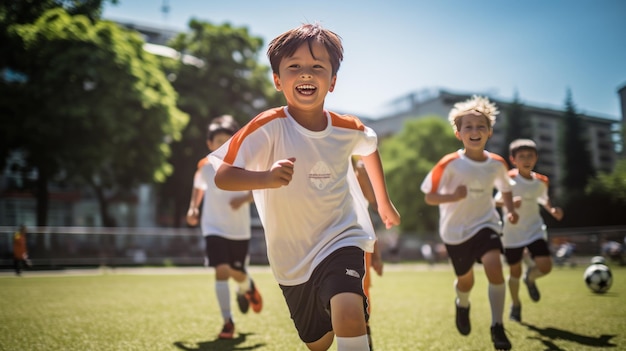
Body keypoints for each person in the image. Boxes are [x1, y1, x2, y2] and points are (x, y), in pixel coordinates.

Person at [210, 23, 401, 351]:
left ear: (333, 80)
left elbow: (369, 149)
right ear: (277, 79)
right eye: (294, 67)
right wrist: (266, 179)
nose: (306, 74)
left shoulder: (348, 128)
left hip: (342, 237)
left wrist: (383, 202)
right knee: (318, 343)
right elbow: (223, 176)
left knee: (350, 313)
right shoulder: (267, 126)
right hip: (292, 257)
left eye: (317, 67)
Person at [420, 95, 518, 350]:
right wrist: (452, 196)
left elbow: (505, 189)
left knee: (494, 267)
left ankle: (497, 326)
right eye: (468, 127)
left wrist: (509, 210)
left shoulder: (497, 163)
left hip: (486, 224)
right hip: (455, 232)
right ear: (458, 133)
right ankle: (462, 304)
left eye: (480, 127)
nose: (474, 131)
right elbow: (429, 196)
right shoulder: (449, 163)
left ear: (489, 132)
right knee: (466, 282)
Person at [186, 115, 262, 340]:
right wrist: (193, 208)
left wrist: (243, 200)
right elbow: (198, 187)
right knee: (221, 270)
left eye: (227, 141)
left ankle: (247, 287)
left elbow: (259, 189)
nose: (222, 145)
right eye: (217, 141)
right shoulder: (204, 167)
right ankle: (227, 321)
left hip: (239, 231)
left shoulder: (244, 164)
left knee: (236, 273)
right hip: (213, 228)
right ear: (209, 144)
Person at [495, 138, 564, 323]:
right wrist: (510, 204)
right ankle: (516, 305)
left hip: (534, 229)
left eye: (530, 156)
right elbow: (496, 201)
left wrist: (552, 210)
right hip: (512, 232)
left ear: (536, 158)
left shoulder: (541, 181)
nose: (526, 159)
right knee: (514, 271)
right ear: (513, 159)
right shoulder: (508, 179)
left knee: (545, 266)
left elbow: (544, 199)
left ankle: (530, 278)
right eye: (522, 156)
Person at [353, 157, 384, 351]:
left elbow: (372, 205)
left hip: (360, 241)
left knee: (362, 291)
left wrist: (377, 254)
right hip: (328, 242)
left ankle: (364, 330)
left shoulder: (358, 171)